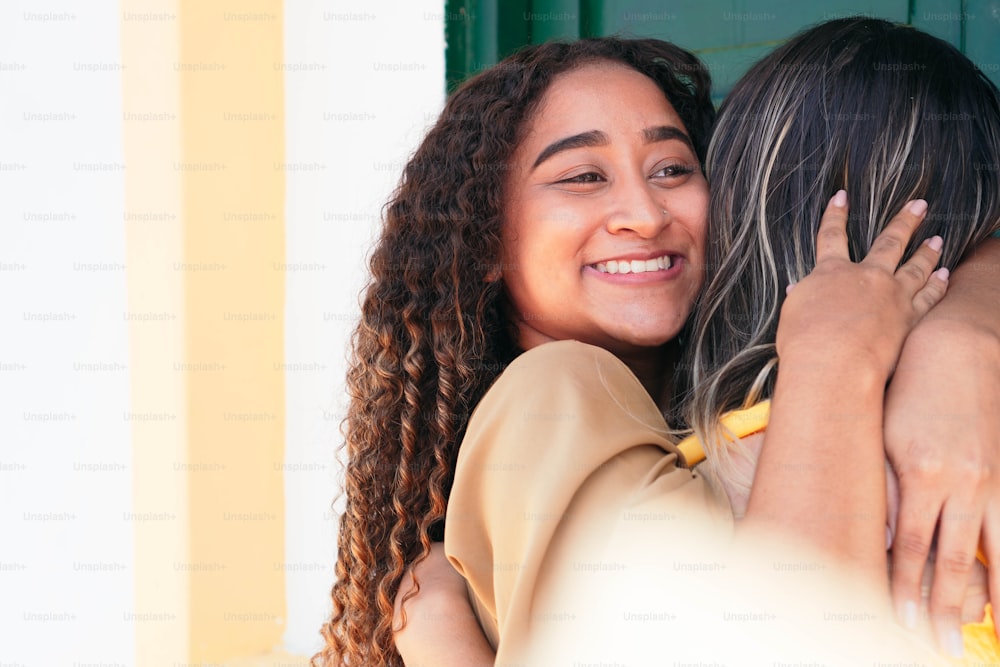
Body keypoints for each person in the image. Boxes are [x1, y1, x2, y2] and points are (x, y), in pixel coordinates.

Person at [313, 29, 1000, 667]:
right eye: (582, 176)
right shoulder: (554, 390)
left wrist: (964, 321)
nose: (644, 214)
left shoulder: (799, 419)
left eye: (673, 168)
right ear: (484, 238)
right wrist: (837, 353)